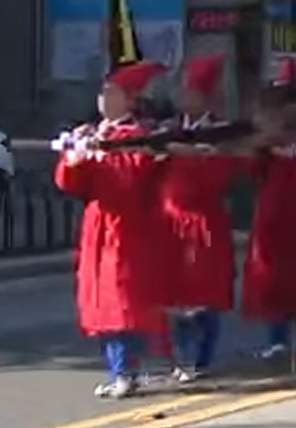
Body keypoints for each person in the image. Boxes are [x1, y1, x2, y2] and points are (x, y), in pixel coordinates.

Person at [56, 61, 173, 399]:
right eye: (103, 93)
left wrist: (101, 158)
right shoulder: (94, 133)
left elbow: (131, 179)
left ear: (130, 100)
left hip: (128, 226)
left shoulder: (137, 137)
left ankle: (127, 370)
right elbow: (71, 184)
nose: (104, 100)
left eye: (113, 94)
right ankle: (117, 369)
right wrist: (74, 160)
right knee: (99, 301)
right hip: (99, 225)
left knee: (122, 301)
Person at [160, 54, 242, 382]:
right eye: (183, 90)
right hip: (169, 223)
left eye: (192, 91)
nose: (185, 97)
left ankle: (201, 357)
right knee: (174, 296)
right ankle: (181, 357)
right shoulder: (169, 130)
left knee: (202, 294)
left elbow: (220, 177)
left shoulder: (219, 134)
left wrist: (191, 157)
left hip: (204, 223)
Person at [242, 59, 296, 362]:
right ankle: (278, 338)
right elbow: (253, 169)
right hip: (273, 213)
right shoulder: (266, 136)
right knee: (272, 277)